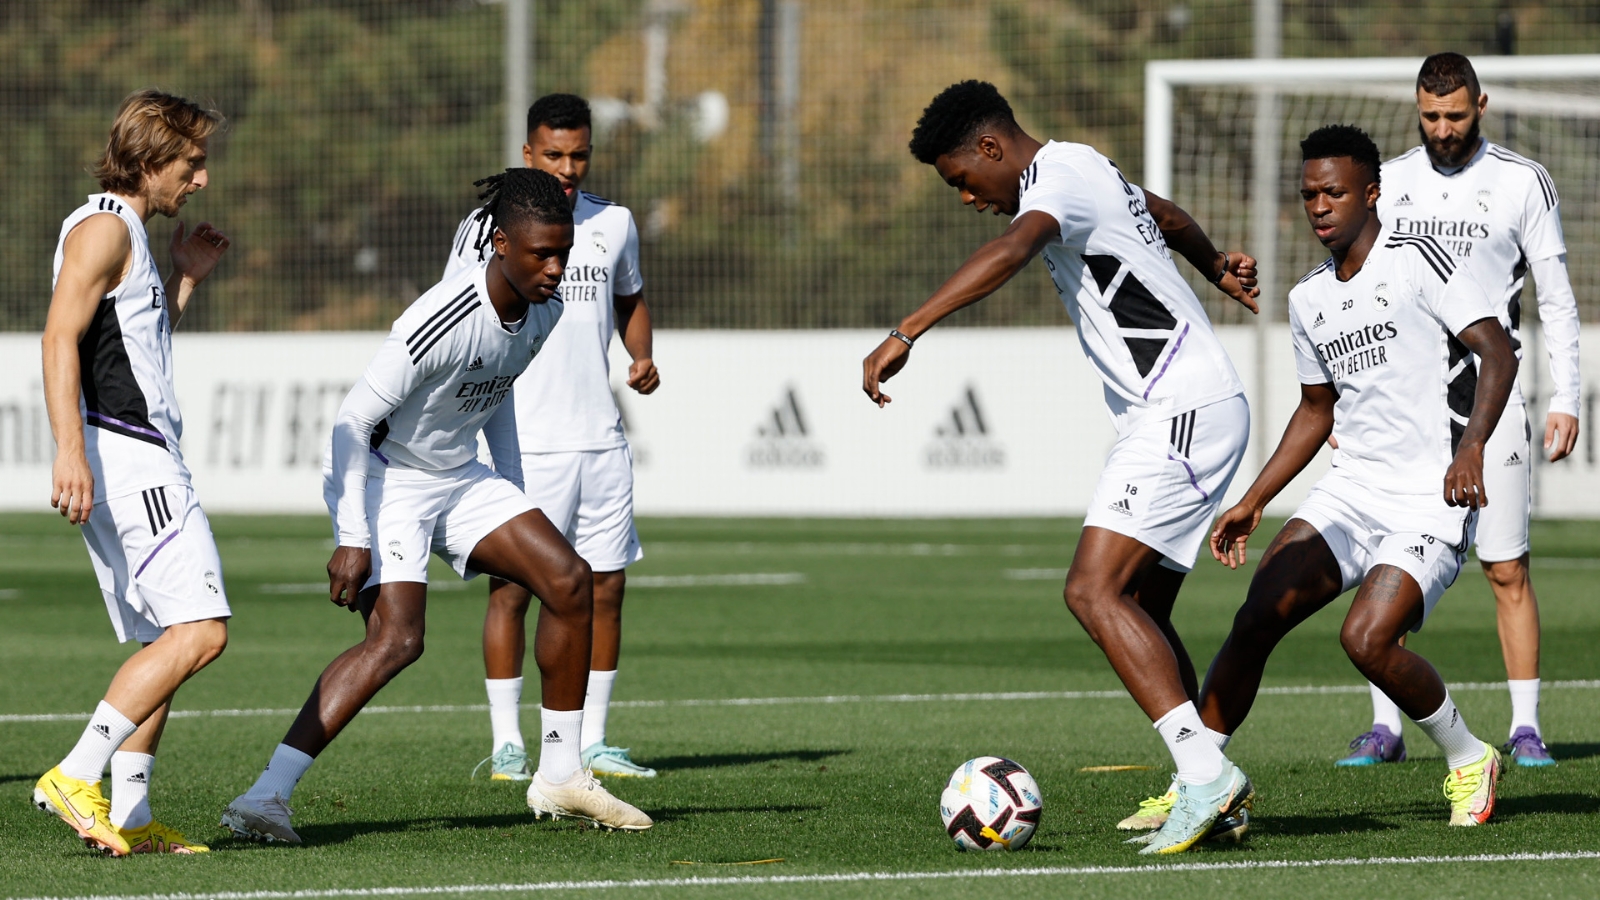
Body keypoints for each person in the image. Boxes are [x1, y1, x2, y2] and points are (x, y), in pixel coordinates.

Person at [862, 80, 1260, 854]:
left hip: (1180, 407)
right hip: (1187, 405)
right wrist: (1213, 266)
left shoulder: (1055, 184)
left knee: (1091, 589)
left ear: (989, 148)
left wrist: (908, 330)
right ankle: (1205, 780)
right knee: (1138, 601)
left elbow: (1014, 248)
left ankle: (1208, 778)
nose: (969, 199)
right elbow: (1169, 216)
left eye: (962, 181)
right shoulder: (1083, 163)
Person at [220, 168, 652, 843]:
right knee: (398, 640)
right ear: (500, 244)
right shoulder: (438, 318)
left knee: (569, 580)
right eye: (542, 253)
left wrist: (512, 493)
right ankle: (265, 796)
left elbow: (499, 391)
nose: (557, 267)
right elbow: (352, 422)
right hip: (385, 480)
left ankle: (563, 773)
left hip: (460, 475)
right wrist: (351, 533)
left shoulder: (548, 306)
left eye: (563, 252)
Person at [1200, 125, 1516, 827]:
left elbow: (1497, 351)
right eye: (1309, 193)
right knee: (1256, 615)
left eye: (1334, 192)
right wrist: (1255, 498)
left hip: (1428, 497)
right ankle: (1200, 775)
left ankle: (1469, 756)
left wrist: (1472, 447)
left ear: (1372, 193)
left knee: (1366, 640)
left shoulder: (1419, 261)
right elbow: (1317, 409)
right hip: (1351, 492)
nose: (1319, 205)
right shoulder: (1309, 297)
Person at [1337, 52, 1578, 769]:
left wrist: (1566, 396)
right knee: (1390, 560)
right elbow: (1359, 284)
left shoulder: (1521, 182)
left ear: (1482, 103)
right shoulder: (1393, 183)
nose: (1442, 129)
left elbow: (1556, 296)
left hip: (1492, 402)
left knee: (1506, 567)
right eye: (1430, 116)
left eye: (1456, 115)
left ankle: (1527, 727)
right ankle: (1386, 728)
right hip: (1401, 406)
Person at [35, 89, 231, 856]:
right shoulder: (103, 230)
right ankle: (74, 775)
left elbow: (125, 351)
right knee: (202, 631)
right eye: (192, 162)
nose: (201, 179)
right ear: (149, 160)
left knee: (162, 638)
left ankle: (133, 815)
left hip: (137, 450)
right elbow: (58, 339)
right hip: (127, 456)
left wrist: (182, 281)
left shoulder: (128, 237)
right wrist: (69, 451)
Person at [446, 94, 661, 782]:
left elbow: (630, 298)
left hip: (599, 439)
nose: (568, 168)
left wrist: (641, 355)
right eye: (554, 154)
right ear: (527, 152)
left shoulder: (614, 222)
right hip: (521, 441)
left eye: (580, 154)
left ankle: (591, 740)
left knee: (606, 587)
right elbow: (454, 316)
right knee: (513, 589)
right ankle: (508, 742)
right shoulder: (485, 229)